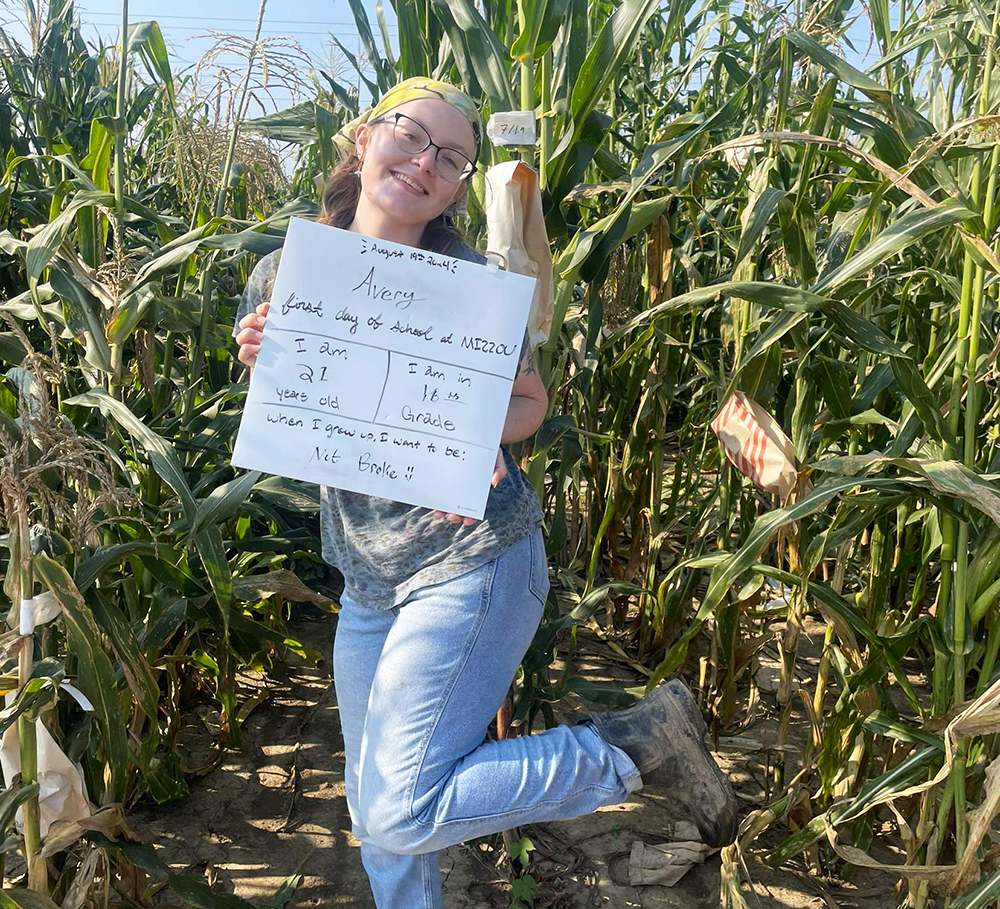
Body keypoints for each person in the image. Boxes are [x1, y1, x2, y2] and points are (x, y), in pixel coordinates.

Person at [234, 78, 736, 909]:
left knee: (400, 804)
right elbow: (300, 415)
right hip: (367, 579)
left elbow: (530, 406)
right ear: (364, 139)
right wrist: (264, 357)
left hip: (477, 557)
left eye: (452, 156)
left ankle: (635, 743)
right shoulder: (285, 272)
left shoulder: (466, 281)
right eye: (411, 136)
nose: (426, 162)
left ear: (462, 184)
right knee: (379, 811)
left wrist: (453, 420)